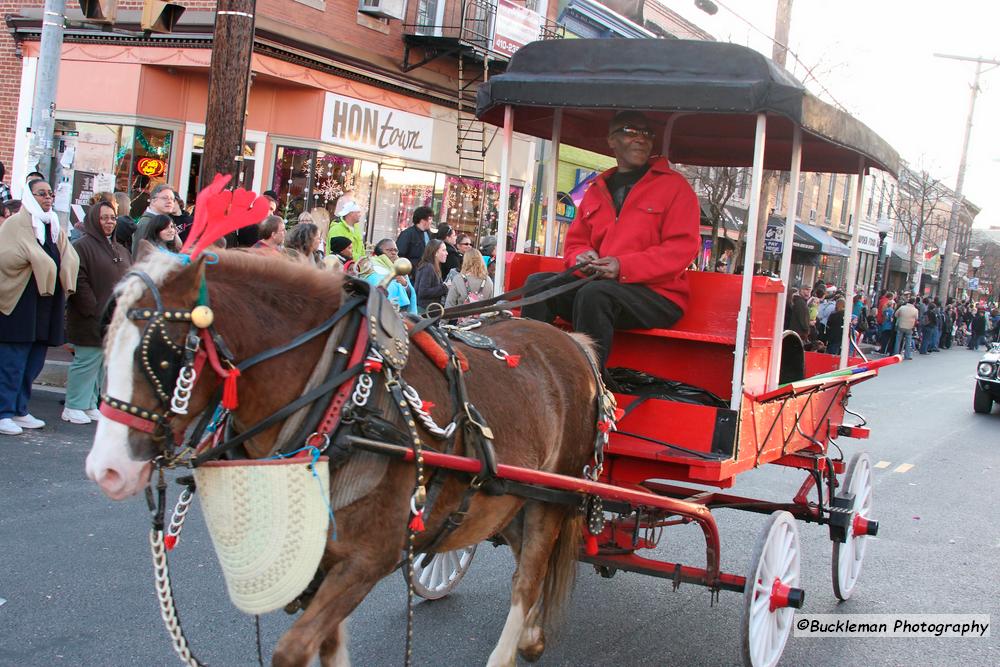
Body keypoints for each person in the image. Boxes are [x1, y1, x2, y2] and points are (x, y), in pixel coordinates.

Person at [520, 110, 699, 370]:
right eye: (631, 131)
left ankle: (590, 387)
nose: (641, 139)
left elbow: (681, 250)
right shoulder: (595, 189)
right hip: (602, 288)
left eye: (646, 133)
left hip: (658, 295)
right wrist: (582, 256)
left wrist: (623, 266)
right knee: (537, 285)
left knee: (595, 294)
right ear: (612, 140)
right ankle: (531, 371)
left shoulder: (674, 187)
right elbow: (575, 243)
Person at [0, 178, 80, 435]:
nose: (47, 198)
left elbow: (66, 253)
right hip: (20, 301)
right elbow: (5, 257)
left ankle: (20, 408)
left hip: (45, 303)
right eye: (41, 194)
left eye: (50, 194)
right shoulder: (15, 224)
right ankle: (3, 412)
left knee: (34, 361)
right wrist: (34, 257)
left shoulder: (53, 225)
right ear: (29, 196)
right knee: (12, 360)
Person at [63, 201, 131, 424]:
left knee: (102, 363)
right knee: (86, 361)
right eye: (104, 218)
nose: (109, 222)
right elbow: (79, 279)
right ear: (94, 220)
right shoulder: (82, 246)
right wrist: (91, 307)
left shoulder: (119, 248)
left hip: (114, 317)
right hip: (90, 316)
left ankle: (91, 402)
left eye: (112, 217)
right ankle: (74, 404)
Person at [367, 238, 418, 315]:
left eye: (395, 250)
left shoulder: (400, 266)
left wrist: (405, 284)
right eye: (389, 250)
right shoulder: (372, 266)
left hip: (401, 313)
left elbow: (411, 292)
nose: (394, 253)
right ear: (379, 252)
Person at [132, 184, 176, 257]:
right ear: (153, 201)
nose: (170, 201)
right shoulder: (146, 223)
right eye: (165, 198)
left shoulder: (166, 222)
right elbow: (138, 256)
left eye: (172, 199)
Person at [413, 239, 449, 311]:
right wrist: (445, 287)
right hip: (425, 312)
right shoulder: (428, 267)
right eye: (443, 250)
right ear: (435, 252)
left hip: (428, 310)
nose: (447, 253)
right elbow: (423, 292)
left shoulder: (432, 266)